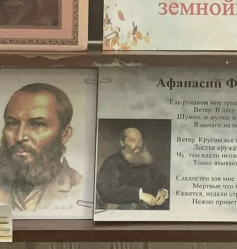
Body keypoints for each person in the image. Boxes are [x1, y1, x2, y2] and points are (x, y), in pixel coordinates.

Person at [0, 83, 82, 212]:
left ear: (64, 134)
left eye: (37, 125)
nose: (20, 137)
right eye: (12, 124)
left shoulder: (80, 188)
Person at [96, 127, 169, 210]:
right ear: (122, 142)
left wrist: (163, 192)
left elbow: (162, 179)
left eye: (140, 140)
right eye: (132, 141)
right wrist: (140, 195)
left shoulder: (146, 159)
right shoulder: (112, 162)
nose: (138, 144)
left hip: (154, 207)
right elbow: (107, 190)